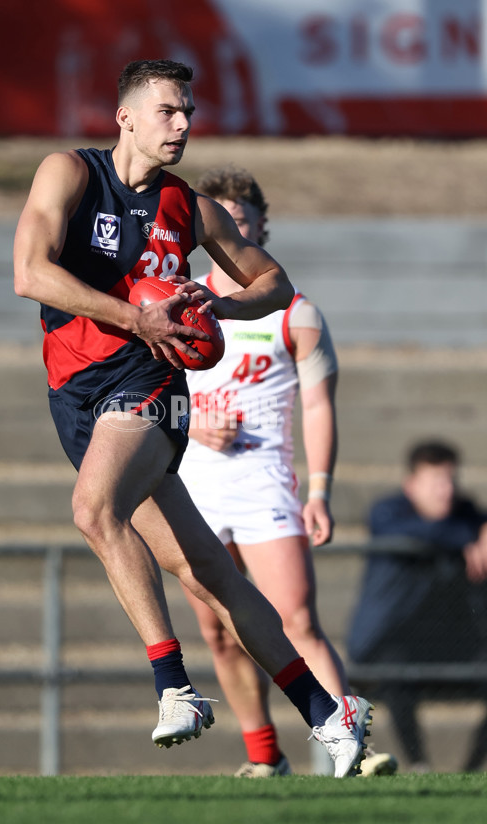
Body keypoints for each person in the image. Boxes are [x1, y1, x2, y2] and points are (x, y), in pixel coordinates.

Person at [13, 57, 373, 777]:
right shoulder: (70, 173)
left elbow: (275, 283)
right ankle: (330, 716)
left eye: (188, 113)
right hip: (77, 393)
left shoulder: (191, 208)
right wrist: (133, 314)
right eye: (168, 111)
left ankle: (174, 686)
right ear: (126, 117)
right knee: (205, 569)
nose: (182, 125)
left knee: (91, 510)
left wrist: (223, 306)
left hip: (150, 386)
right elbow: (31, 272)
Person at [178, 165, 396, 777]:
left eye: (241, 222)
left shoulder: (293, 311)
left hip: (265, 481)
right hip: (193, 484)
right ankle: (264, 757)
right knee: (221, 632)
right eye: (219, 223)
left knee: (295, 618)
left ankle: (350, 745)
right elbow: (154, 387)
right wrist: (194, 425)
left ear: (260, 229)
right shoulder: (180, 300)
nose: (230, 233)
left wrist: (319, 489)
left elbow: (319, 403)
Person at [347, 440, 487, 771]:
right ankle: (418, 764)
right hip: (386, 647)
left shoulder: (466, 514)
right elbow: (417, 531)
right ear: (412, 484)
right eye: (436, 481)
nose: (446, 490)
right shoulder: (388, 512)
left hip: (449, 645)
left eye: (450, 480)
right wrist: (471, 536)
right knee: (397, 671)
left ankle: (469, 771)